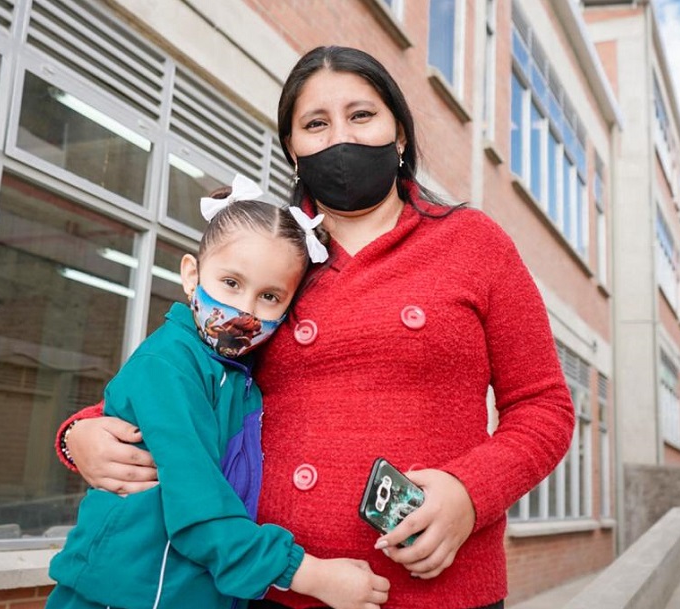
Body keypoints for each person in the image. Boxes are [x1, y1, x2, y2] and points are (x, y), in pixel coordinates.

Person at [57, 46, 576, 609]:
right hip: (276, 591)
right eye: (315, 124)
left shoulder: (474, 243)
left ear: (398, 133)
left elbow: (544, 407)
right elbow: (191, 370)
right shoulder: (273, 260)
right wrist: (80, 433)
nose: (340, 139)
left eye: (361, 115)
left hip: (440, 591)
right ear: (293, 150)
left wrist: (470, 495)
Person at [46, 175, 391, 609]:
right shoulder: (168, 365)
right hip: (126, 596)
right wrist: (308, 573)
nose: (245, 311)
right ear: (191, 275)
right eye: (231, 283)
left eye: (269, 296)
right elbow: (198, 508)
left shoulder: (237, 374)